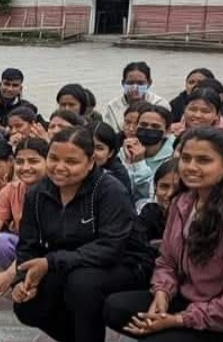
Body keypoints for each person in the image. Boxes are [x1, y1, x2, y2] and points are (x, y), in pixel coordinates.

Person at [104, 127, 223, 342]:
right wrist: (162, 294)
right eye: (186, 158)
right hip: (186, 296)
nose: (191, 167)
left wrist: (179, 320)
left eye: (204, 160)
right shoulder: (183, 202)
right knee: (114, 307)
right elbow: (167, 261)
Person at [12, 126, 151, 342]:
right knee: (28, 305)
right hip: (69, 261)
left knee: (81, 284)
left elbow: (111, 247)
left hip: (124, 263)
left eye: (71, 162)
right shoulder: (38, 193)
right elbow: (28, 244)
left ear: (90, 162)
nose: (60, 167)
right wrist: (21, 281)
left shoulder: (109, 190)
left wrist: (50, 262)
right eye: (53, 158)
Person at [0, 137, 48, 296]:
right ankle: (22, 281)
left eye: (33, 161)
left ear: (48, 162)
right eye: (20, 162)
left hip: (48, 253)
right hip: (25, 250)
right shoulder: (10, 190)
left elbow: (42, 243)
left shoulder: (55, 192)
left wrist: (9, 275)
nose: (26, 167)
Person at [121, 103, 175, 202]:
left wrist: (139, 163)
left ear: (167, 131)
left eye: (155, 126)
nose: (148, 129)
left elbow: (151, 193)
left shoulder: (173, 156)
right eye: (143, 125)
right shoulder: (126, 149)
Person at [102, 61, 170, 133]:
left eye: (140, 83)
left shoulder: (160, 103)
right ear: (123, 83)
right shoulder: (112, 107)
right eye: (130, 83)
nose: (135, 88)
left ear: (149, 83)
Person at [135, 159, 178, 250]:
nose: (170, 194)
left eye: (177, 188)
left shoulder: (196, 221)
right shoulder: (149, 213)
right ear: (155, 188)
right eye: (164, 187)